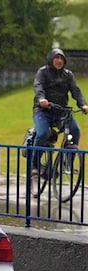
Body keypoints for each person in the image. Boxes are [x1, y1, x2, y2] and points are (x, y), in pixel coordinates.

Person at [31, 48, 88, 176]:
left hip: (61, 111)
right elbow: (38, 86)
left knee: (75, 130)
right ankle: (34, 164)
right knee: (43, 134)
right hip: (43, 110)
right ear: (51, 59)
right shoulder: (43, 72)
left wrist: (83, 104)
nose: (59, 60)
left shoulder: (68, 75)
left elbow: (76, 91)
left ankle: (67, 164)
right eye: (56, 57)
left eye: (61, 58)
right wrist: (41, 99)